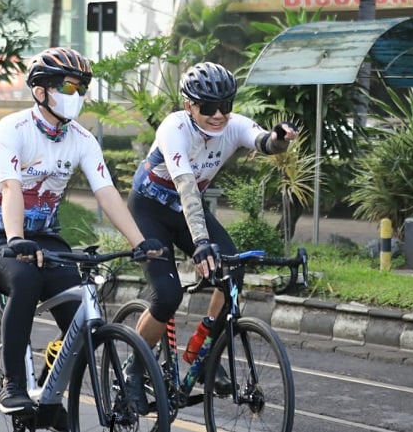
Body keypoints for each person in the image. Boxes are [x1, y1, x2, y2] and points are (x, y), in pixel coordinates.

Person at [0, 47, 163, 418]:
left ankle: (49, 395)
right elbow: (10, 188)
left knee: (82, 319)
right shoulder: (12, 128)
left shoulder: (82, 139)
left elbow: (106, 193)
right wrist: (14, 239)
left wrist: (138, 242)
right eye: (67, 86)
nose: (75, 95)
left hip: (45, 237)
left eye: (80, 88)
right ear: (40, 91)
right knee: (26, 281)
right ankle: (12, 385)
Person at [127, 62, 297, 393]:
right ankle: (135, 368)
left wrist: (279, 138)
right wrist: (201, 242)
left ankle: (204, 353)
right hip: (150, 210)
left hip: (186, 213)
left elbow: (263, 141)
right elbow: (187, 186)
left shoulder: (231, 125)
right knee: (167, 296)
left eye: (226, 106)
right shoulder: (174, 128)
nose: (218, 114)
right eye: (208, 107)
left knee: (231, 272)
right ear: (189, 105)